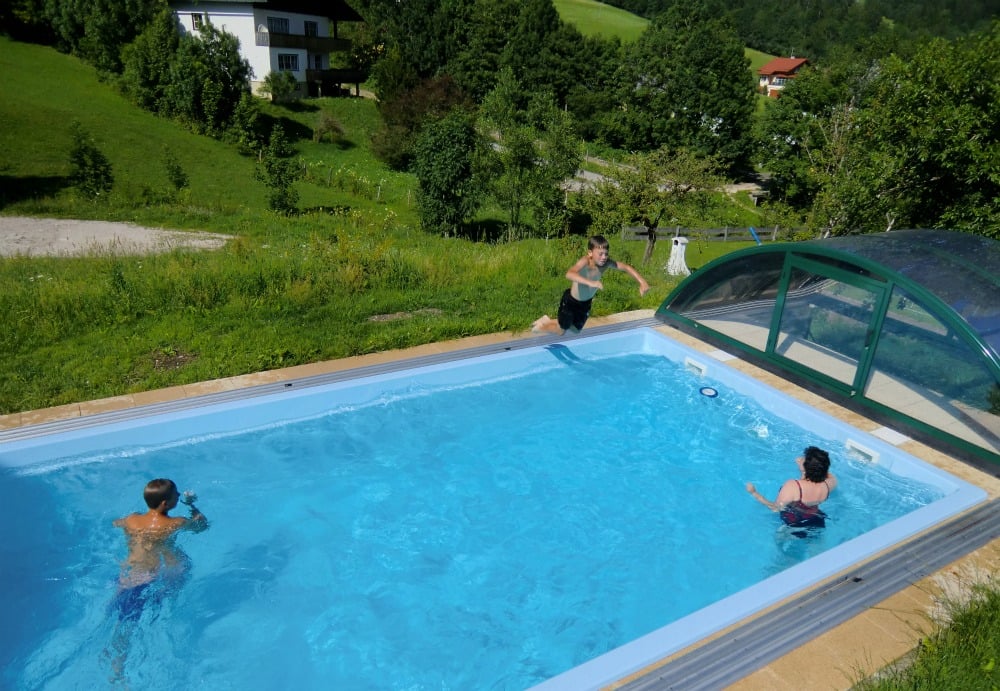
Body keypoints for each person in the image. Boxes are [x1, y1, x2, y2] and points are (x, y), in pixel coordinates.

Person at [112, 478, 207, 621]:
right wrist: (191, 504)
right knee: (183, 568)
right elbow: (201, 526)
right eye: (176, 494)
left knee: (118, 614)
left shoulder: (131, 519)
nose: (179, 494)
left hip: (128, 574)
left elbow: (116, 523)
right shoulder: (175, 523)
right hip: (154, 576)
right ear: (165, 504)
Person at [531, 235, 650, 336]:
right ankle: (542, 326)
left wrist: (642, 282)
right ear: (590, 253)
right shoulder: (585, 261)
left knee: (575, 330)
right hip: (571, 302)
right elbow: (569, 274)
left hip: (585, 304)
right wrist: (590, 283)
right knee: (562, 330)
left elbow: (626, 267)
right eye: (600, 254)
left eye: (606, 254)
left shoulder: (606, 264)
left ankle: (547, 320)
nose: (604, 257)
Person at [746, 446, 837, 531]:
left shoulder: (793, 486)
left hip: (795, 524)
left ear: (805, 467)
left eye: (802, 458)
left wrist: (754, 493)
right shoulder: (828, 484)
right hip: (817, 520)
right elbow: (826, 473)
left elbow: (775, 508)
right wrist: (814, 466)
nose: (799, 459)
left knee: (779, 541)